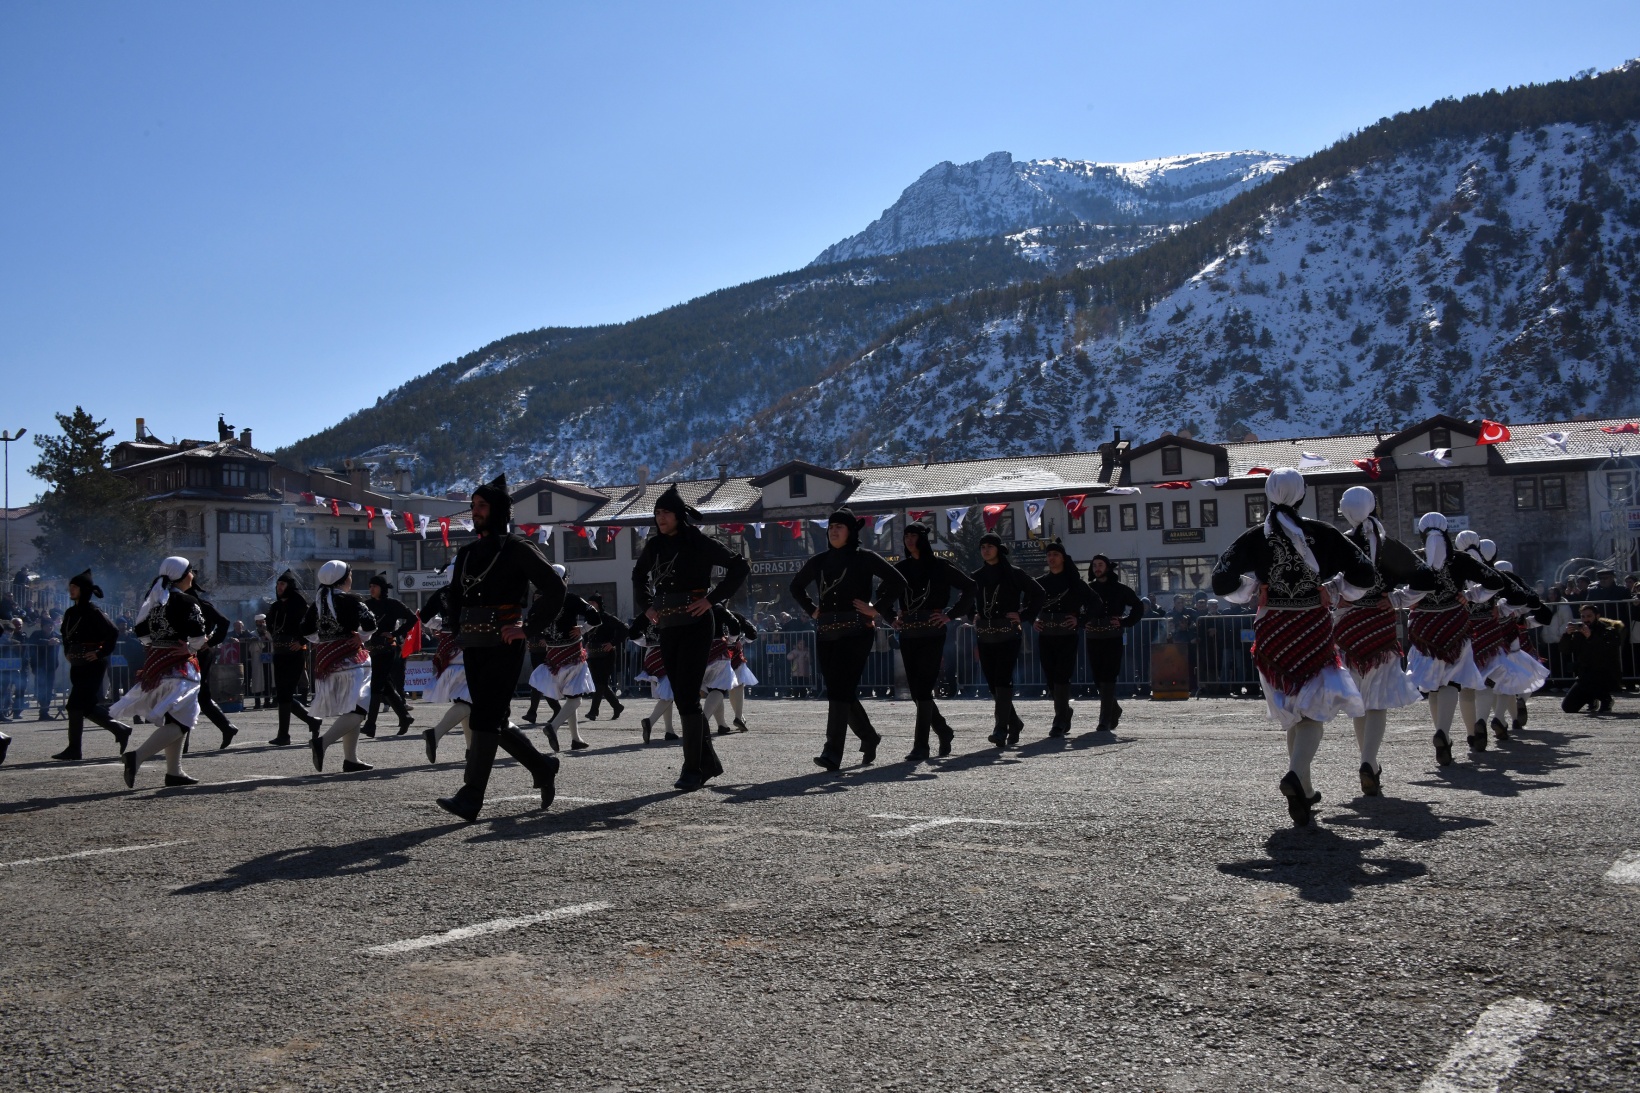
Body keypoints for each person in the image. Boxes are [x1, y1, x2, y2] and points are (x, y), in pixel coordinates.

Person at [1211, 469, 1375, 827]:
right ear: (1301, 495)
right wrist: (1333, 589)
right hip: (1311, 625)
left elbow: (1220, 580)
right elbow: (1365, 573)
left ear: (1269, 493)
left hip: (1272, 629)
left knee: (1293, 709)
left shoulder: (1254, 536)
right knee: (1313, 712)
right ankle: (1295, 775)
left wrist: (1254, 587)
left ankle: (1305, 789)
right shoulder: (1323, 533)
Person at [435, 475, 567, 821]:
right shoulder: (466, 553)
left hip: (504, 644)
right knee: (493, 717)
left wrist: (528, 627)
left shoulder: (518, 548)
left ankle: (470, 797)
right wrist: (454, 633)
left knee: (484, 716)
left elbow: (555, 588)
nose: (475, 511)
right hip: (473, 644)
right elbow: (455, 597)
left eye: (482, 506)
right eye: (473, 506)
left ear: (498, 510)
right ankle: (543, 767)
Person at [632, 485, 750, 789]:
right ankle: (707, 764)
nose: (660, 517)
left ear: (679, 515)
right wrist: (646, 606)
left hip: (696, 624)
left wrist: (711, 600)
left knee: (686, 695)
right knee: (681, 693)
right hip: (668, 626)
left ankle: (692, 769)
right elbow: (638, 575)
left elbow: (739, 566)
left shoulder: (698, 540)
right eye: (657, 512)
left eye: (666, 512)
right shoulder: (654, 545)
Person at [789, 508, 907, 771]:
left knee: (840, 689)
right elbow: (795, 586)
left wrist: (876, 608)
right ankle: (869, 736)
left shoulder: (865, 557)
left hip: (856, 631)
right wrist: (812, 609)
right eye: (831, 527)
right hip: (826, 632)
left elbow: (898, 581)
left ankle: (832, 752)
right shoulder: (819, 560)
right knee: (838, 690)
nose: (833, 531)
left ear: (851, 531)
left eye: (839, 527)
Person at [1334, 487, 1425, 796]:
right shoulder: (1389, 546)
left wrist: (1338, 596)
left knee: (1361, 698)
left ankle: (1368, 762)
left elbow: (1323, 580)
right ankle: (1368, 762)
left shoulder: (1341, 543)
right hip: (1380, 625)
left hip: (1348, 628)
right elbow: (1427, 577)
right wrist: (1397, 598)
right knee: (1376, 700)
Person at [1405, 514, 1506, 766]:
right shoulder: (1459, 559)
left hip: (1424, 626)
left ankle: (1443, 733)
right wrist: (1470, 595)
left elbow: (1389, 583)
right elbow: (1496, 581)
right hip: (1453, 624)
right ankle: (1443, 732)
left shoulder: (1414, 557)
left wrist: (1406, 598)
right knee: (1451, 681)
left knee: (1434, 684)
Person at [880, 520, 974, 761]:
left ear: (923, 538)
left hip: (933, 631)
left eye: (914, 535)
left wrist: (950, 614)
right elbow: (880, 596)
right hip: (908, 632)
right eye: (906, 536)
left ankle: (921, 746)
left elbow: (970, 587)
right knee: (916, 691)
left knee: (923, 689)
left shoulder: (940, 566)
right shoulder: (900, 568)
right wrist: (891, 618)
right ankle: (943, 730)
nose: (909, 540)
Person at [113, 557, 209, 788]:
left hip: (157, 664)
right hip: (181, 667)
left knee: (176, 718)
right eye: (191, 572)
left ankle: (174, 772)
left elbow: (141, 631)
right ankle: (136, 756)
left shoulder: (155, 601)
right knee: (184, 721)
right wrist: (190, 647)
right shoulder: (186, 601)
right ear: (183, 575)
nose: (193, 576)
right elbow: (198, 638)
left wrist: (158, 645)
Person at [970, 532, 1045, 748]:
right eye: (983, 547)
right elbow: (967, 597)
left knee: (1003, 679)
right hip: (985, 634)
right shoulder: (976, 576)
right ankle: (1014, 722)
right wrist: (972, 614)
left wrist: (1024, 615)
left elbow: (1039, 593)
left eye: (990, 546)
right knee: (993, 682)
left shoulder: (1014, 573)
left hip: (1008, 633)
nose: (986, 550)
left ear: (998, 549)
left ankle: (1000, 729)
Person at [306, 561, 378, 773]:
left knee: (350, 708)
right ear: (344, 579)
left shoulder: (317, 603)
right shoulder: (350, 599)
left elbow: (305, 629)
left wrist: (324, 640)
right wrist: (361, 637)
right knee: (359, 709)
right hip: (351, 660)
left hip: (327, 661)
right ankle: (322, 742)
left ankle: (351, 759)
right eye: (350, 575)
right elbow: (371, 623)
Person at [53, 569, 132, 761]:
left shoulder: (94, 611)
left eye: (75, 587)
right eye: (70, 586)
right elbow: (65, 635)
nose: (71, 589)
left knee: (74, 705)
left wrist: (99, 653)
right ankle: (120, 729)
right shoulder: (70, 612)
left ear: (84, 590)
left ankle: (74, 749)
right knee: (86, 706)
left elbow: (113, 632)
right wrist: (67, 651)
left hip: (93, 664)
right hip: (78, 663)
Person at [526, 564, 601, 752]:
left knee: (571, 695)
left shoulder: (540, 602)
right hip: (572, 653)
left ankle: (576, 739)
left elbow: (529, 624)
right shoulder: (571, 598)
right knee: (576, 698)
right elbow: (595, 617)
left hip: (552, 655)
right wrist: (583, 629)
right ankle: (553, 727)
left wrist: (543, 635)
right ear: (565, 579)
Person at [1034, 538, 1101, 738]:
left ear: (1063, 558)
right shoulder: (1040, 583)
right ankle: (1065, 711)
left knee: (1062, 676)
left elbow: (1096, 602)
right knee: (1050, 678)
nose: (1051, 558)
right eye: (1049, 555)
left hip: (1067, 635)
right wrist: (1032, 620)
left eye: (1055, 554)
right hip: (1046, 635)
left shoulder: (1074, 582)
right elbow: (1027, 605)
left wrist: (1080, 620)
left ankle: (1059, 721)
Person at [1084, 555, 1144, 732]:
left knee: (1109, 675)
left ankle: (1105, 719)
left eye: (1100, 565)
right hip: (1093, 637)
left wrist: (1125, 621)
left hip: (1112, 636)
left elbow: (1138, 606)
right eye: (1094, 565)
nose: (1097, 568)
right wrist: (1082, 621)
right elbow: (1075, 607)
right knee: (1097, 677)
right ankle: (1114, 708)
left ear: (1108, 567)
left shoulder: (1120, 589)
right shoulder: (1088, 589)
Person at [417, 583, 473, 763]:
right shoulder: (476, 586)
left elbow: (424, 616)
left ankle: (471, 749)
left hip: (449, 650)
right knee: (470, 701)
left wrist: (443, 626)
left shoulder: (443, 591)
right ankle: (435, 733)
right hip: (470, 646)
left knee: (465, 700)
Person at [267, 570, 322, 746]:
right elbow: (270, 625)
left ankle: (285, 734)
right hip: (279, 653)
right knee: (282, 695)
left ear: (289, 586)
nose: (279, 587)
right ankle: (310, 721)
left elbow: (313, 626)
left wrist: (301, 641)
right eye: (278, 584)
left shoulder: (299, 604)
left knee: (286, 694)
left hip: (294, 654)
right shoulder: (275, 606)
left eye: (282, 584)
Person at [362, 574, 417, 737]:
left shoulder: (392, 604)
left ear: (382, 588)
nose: (371, 589)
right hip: (371, 651)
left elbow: (413, 619)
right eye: (370, 586)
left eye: (374, 586)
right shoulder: (366, 605)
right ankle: (405, 717)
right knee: (385, 686)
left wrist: (395, 633)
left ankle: (370, 725)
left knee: (376, 685)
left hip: (387, 650)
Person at [190, 584, 241, 750]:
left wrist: (211, 642)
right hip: (193, 652)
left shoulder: (202, 605)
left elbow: (224, 622)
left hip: (200, 652)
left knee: (191, 693)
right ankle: (226, 727)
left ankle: (182, 742)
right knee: (198, 694)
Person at [1561, 603, 1625, 714]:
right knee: (1568, 707)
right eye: (1583, 616)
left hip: (1605, 673)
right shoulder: (1579, 631)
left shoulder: (1609, 630)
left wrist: (1590, 637)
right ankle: (1591, 698)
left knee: (1590, 679)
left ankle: (1606, 699)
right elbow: (1565, 650)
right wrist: (1567, 635)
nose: (1586, 619)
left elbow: (1606, 650)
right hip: (1585, 674)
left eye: (1589, 616)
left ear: (1597, 616)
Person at [629, 614, 677, 743]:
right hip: (667, 653)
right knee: (670, 692)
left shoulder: (647, 612)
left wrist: (646, 642)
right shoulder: (672, 608)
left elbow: (632, 632)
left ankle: (669, 731)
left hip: (651, 654)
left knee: (667, 694)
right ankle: (650, 721)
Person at [583, 593, 629, 722]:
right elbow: (586, 633)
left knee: (600, 683)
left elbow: (624, 629)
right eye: (589, 603)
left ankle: (593, 711)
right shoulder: (590, 618)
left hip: (606, 655)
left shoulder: (608, 618)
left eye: (592, 603)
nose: (590, 605)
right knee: (600, 684)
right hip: (593, 655)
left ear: (598, 604)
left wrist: (612, 643)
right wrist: (586, 643)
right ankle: (617, 706)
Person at [26, 614, 61, 720]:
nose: (49, 627)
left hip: (51, 666)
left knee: (49, 688)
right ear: (42, 626)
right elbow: (32, 642)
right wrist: (47, 642)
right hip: (39, 665)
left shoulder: (55, 634)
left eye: (51, 625)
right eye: (47, 625)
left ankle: (45, 710)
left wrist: (58, 641)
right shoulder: (36, 634)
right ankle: (42, 708)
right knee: (41, 687)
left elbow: (63, 639)